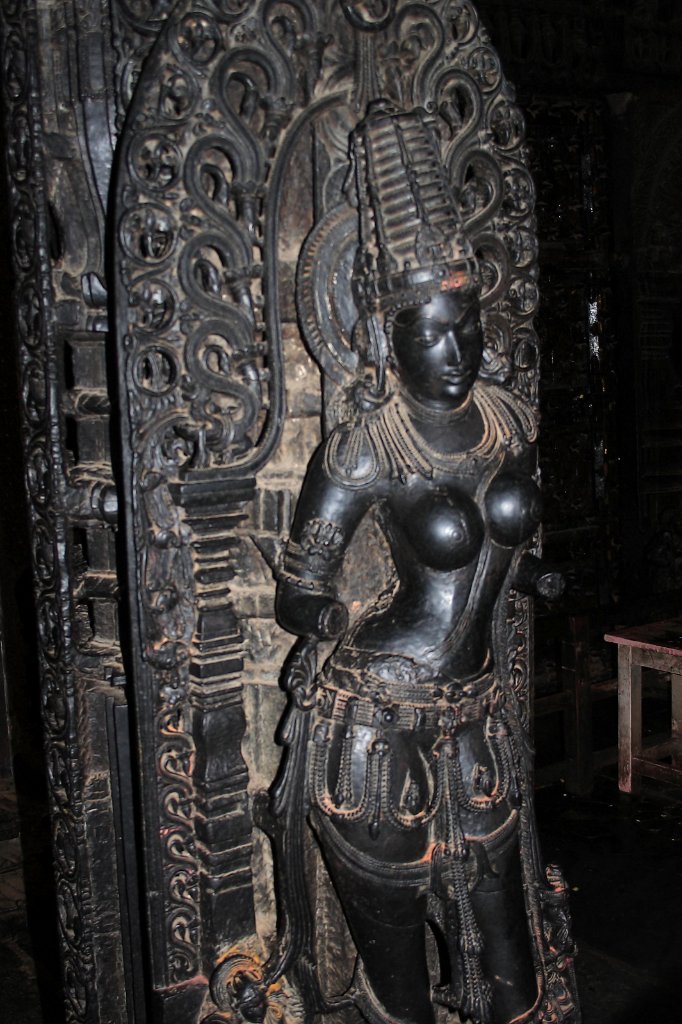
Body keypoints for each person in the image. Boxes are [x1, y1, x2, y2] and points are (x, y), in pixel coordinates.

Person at [273, 101, 577, 1024]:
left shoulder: (509, 423)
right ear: (387, 333)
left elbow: (498, 557)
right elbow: (300, 588)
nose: (458, 352)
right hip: (375, 717)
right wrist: (324, 619)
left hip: (477, 707)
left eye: (469, 328)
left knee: (511, 962)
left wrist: (530, 577)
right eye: (433, 333)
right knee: (397, 981)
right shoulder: (368, 446)